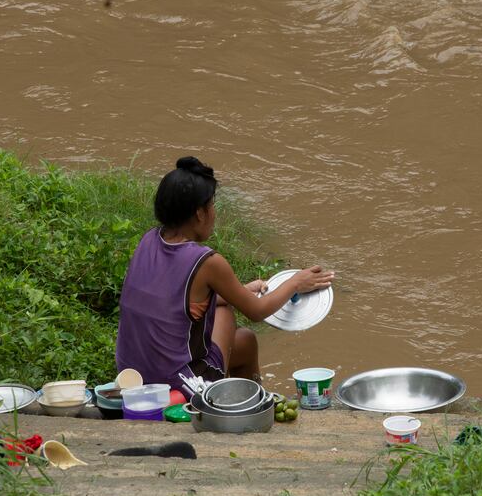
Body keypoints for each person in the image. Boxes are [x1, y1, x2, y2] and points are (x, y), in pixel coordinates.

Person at [115, 156, 334, 396]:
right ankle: (239, 405)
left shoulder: (149, 239)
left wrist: (237, 291)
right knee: (225, 313)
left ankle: (252, 402)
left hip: (132, 376)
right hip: (178, 384)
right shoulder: (207, 262)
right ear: (200, 213)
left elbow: (171, 300)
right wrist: (295, 282)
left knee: (246, 342)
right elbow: (257, 311)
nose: (214, 213)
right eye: (212, 205)